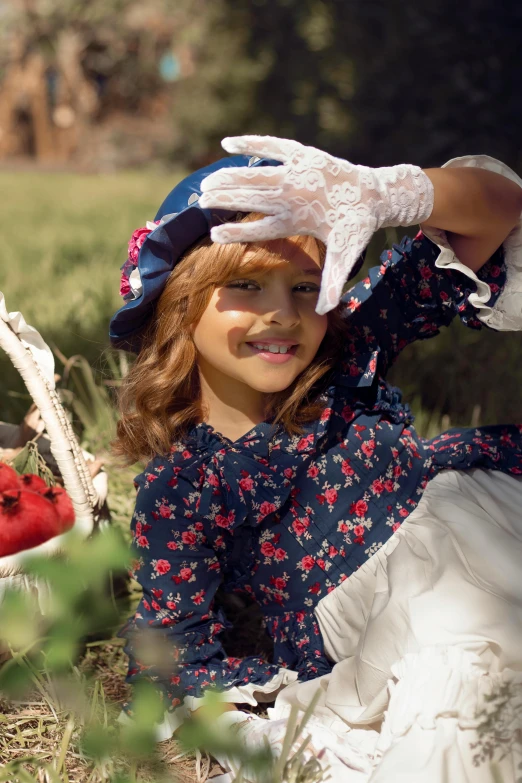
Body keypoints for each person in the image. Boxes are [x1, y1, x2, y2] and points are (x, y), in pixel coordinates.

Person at [110, 136, 522, 782]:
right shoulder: (184, 484)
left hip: (489, 518)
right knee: (469, 712)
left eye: (306, 285)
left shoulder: (351, 348)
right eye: (245, 283)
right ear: (180, 301)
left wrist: (393, 193)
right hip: (400, 617)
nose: (283, 313)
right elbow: (175, 651)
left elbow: (500, 214)